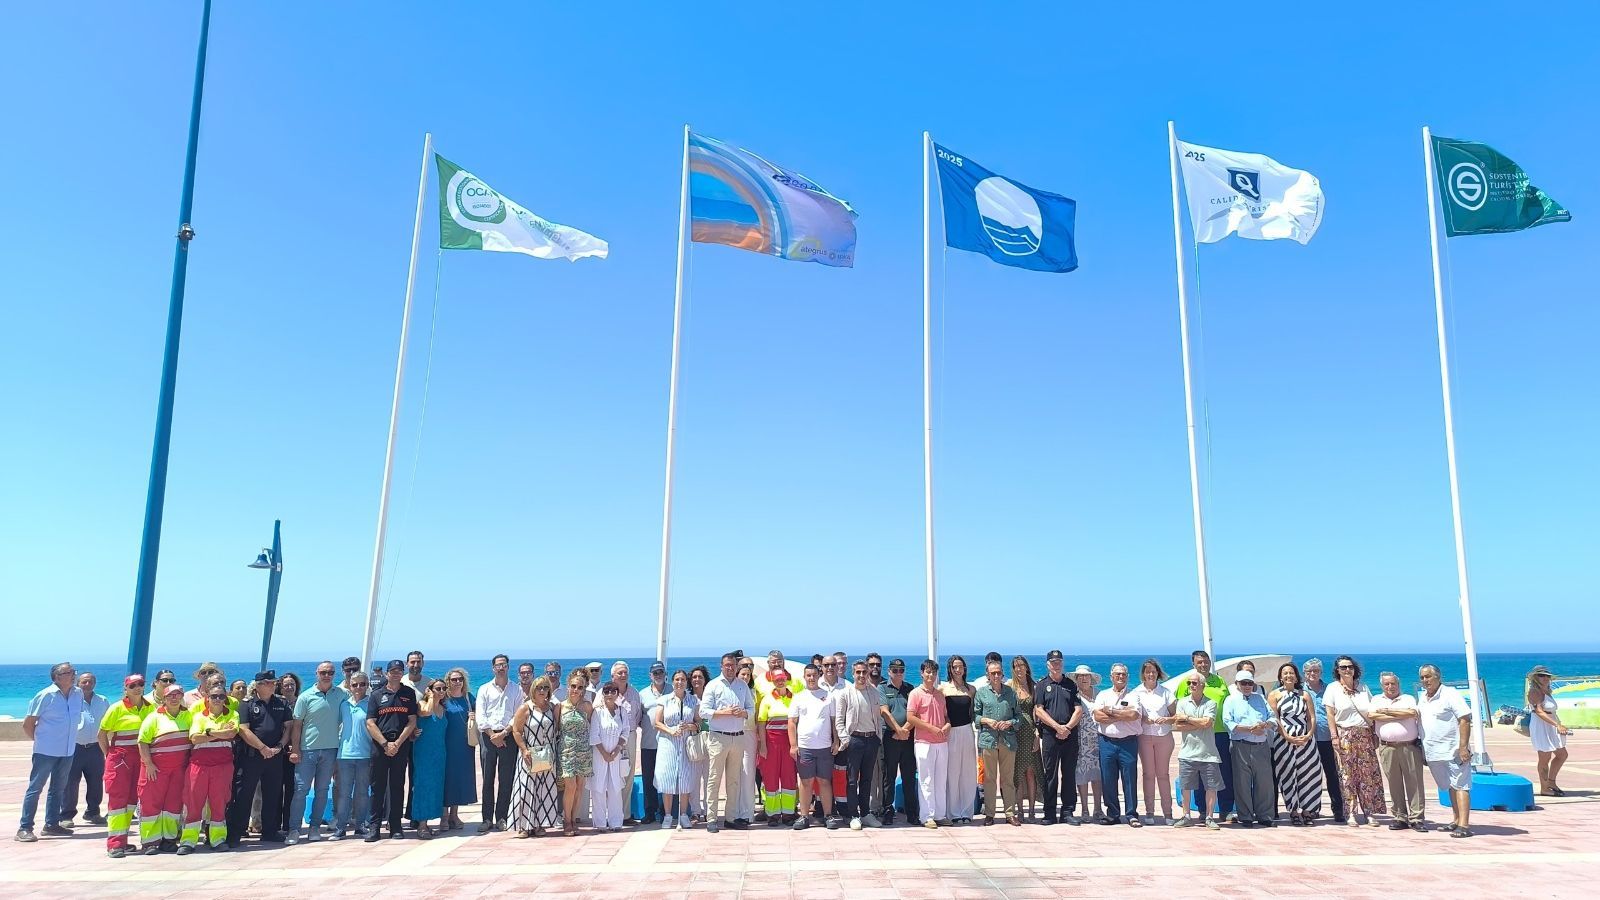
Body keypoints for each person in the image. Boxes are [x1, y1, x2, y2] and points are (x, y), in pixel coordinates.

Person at [16, 662, 82, 843]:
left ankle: (52, 824)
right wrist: (41, 741)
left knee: (58, 789)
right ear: (57, 677)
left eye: (73, 671)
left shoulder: (78, 694)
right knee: (35, 788)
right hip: (46, 751)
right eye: (68, 672)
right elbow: (28, 723)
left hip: (68, 750)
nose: (73, 674)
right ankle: (25, 827)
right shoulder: (45, 695)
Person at [229, 670, 292, 847]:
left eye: (273, 682)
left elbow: (288, 727)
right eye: (268, 683)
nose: (272, 685)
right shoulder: (246, 704)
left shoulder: (281, 703)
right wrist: (262, 748)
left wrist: (279, 746)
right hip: (252, 756)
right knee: (244, 795)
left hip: (275, 756)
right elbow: (243, 729)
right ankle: (236, 833)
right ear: (258, 685)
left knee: (273, 794)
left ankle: (270, 831)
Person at [288, 661, 346, 844]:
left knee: (322, 790)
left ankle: (314, 828)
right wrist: (295, 750)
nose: (327, 675)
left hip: (330, 750)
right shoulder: (305, 697)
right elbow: (297, 726)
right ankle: (294, 830)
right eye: (323, 672)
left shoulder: (341, 695)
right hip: (307, 751)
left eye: (330, 672)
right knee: (300, 790)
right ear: (317, 673)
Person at [1324, 655, 1386, 827]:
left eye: (1349, 666)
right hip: (1344, 735)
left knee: (1367, 775)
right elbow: (1330, 714)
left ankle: (1369, 812)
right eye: (1343, 667)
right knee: (1347, 776)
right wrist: (1334, 736)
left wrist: (1375, 733)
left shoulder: (1363, 688)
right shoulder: (1332, 689)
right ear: (1337, 670)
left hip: (1365, 734)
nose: (1347, 670)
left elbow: (1372, 711)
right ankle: (1351, 812)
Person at [98, 675, 154, 857]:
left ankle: (125, 840)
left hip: (141, 757)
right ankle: (115, 844)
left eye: (140, 684)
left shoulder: (150, 708)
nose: (137, 688)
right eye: (132, 685)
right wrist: (109, 755)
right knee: (118, 801)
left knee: (133, 801)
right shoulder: (116, 708)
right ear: (126, 688)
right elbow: (102, 734)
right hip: (120, 757)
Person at [364, 659, 419, 842]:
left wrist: (397, 743)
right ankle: (374, 827)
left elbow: (412, 721)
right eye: (392, 671)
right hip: (380, 748)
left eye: (399, 671)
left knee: (397, 787)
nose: (395, 674)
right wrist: (386, 744)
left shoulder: (408, 693)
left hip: (401, 746)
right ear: (387, 673)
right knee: (377, 787)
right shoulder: (377, 695)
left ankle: (396, 826)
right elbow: (370, 722)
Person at [180, 683, 238, 854]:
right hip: (199, 765)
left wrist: (208, 733)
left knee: (219, 803)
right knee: (193, 803)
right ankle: (188, 841)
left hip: (223, 765)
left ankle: (217, 839)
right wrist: (217, 730)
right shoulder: (198, 716)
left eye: (221, 696)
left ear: (226, 698)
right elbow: (195, 739)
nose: (218, 699)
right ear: (207, 698)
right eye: (214, 696)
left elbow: (231, 734)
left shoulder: (232, 714)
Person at [700, 651, 753, 833]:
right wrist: (725, 712)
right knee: (714, 779)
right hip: (718, 737)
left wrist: (743, 713)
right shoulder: (713, 686)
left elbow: (751, 709)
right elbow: (703, 711)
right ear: (721, 666)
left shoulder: (742, 686)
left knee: (734, 780)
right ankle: (712, 818)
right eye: (727, 665)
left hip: (738, 737)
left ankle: (730, 818)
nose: (730, 668)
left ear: (737, 667)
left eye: (733, 665)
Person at [1417, 664, 1473, 837]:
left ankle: (1464, 825)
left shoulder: (1450, 694)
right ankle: (1456, 820)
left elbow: (1464, 719)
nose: (1425, 680)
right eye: (1422, 677)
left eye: (1428, 676)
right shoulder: (1423, 698)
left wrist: (1463, 747)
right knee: (1449, 785)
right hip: (1434, 751)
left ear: (1438, 677)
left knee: (1461, 785)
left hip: (1453, 750)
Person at [136, 684, 191, 854]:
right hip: (156, 769)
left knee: (173, 805)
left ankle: (169, 839)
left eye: (177, 695)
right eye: (170, 695)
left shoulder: (188, 716)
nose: (174, 698)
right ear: (164, 699)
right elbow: (143, 742)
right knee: (151, 804)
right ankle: (150, 842)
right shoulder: (154, 717)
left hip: (179, 769)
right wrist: (149, 764)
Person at [1267, 662, 1323, 826]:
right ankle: (1293, 811)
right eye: (1285, 673)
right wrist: (1287, 737)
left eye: (1291, 673)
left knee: (1309, 774)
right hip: (1283, 739)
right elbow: (1275, 719)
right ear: (1280, 677)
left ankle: (1307, 810)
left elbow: (1311, 717)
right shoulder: (1274, 695)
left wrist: (1309, 735)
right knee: (1287, 775)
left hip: (1305, 739)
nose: (1288, 676)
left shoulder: (1304, 694)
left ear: (1296, 676)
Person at [1181, 651, 1233, 822]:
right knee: (1197, 775)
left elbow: (1227, 703)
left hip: (1219, 733)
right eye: (1199, 662)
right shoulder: (1186, 682)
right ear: (1193, 663)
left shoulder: (1220, 681)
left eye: (1206, 661)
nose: (1203, 664)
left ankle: (1226, 809)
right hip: (1197, 736)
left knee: (1223, 773)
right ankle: (1203, 811)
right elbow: (1180, 711)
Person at [1370, 671, 1425, 830]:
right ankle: (1400, 817)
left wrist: (1385, 711)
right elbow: (1372, 715)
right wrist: (1399, 714)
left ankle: (1417, 818)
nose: (1390, 687)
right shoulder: (1376, 699)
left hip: (1409, 746)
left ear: (1398, 684)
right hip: (1387, 747)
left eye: (1393, 683)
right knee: (1394, 784)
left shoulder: (1408, 698)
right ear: (1382, 686)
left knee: (1414, 783)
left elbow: (1412, 713)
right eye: (1386, 684)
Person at [1032, 651, 1081, 826]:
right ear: (1047, 664)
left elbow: (1078, 710)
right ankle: (1049, 812)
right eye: (1053, 662)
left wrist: (1067, 727)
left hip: (1069, 735)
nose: (1056, 664)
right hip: (1051, 735)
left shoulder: (1071, 684)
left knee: (1069, 775)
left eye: (1059, 661)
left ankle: (1067, 812)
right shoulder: (1041, 685)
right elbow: (1039, 710)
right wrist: (1057, 727)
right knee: (1050, 775)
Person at [788, 662, 839, 830]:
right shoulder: (798, 697)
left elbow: (833, 721)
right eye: (808, 675)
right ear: (804, 677)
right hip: (805, 747)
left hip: (824, 747)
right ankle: (804, 816)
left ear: (819, 676)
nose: (811, 678)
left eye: (814, 675)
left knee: (824, 781)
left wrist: (836, 741)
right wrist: (794, 745)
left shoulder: (828, 696)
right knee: (805, 781)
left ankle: (828, 815)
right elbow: (792, 722)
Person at [510, 676, 561, 837]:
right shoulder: (525, 708)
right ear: (533, 689)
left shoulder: (552, 707)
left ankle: (539, 824)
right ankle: (523, 826)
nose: (542, 690)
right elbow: (516, 731)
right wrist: (524, 749)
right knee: (525, 790)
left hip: (547, 754)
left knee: (544, 790)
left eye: (545, 687)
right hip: (530, 754)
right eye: (539, 687)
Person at [1222, 671, 1275, 828]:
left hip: (1261, 746)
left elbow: (1272, 718)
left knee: (1264, 782)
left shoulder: (1260, 698)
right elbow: (1227, 722)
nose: (1246, 686)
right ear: (1237, 683)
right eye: (1243, 683)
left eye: (1249, 683)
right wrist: (1249, 729)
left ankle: (1264, 815)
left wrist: (1264, 725)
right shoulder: (1230, 700)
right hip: (1240, 745)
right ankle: (1245, 816)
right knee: (1242, 783)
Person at [836, 659, 884, 830]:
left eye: (864, 672)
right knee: (851, 780)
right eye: (858, 672)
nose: (862, 675)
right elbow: (839, 720)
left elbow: (878, 718)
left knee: (867, 779)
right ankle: (853, 815)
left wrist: (878, 737)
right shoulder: (845, 693)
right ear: (853, 673)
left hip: (871, 740)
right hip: (854, 740)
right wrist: (845, 739)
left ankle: (865, 813)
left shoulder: (874, 693)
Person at [1171, 672, 1223, 829]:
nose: (1191, 686)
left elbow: (1208, 723)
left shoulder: (1211, 703)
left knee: (1211, 787)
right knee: (1186, 786)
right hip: (1187, 752)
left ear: (1202, 685)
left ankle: (1209, 817)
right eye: (1189, 683)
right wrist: (1197, 723)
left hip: (1209, 754)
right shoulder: (1181, 702)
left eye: (1194, 683)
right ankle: (1186, 816)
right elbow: (1177, 726)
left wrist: (1187, 719)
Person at [1093, 662, 1142, 826]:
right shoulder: (1103, 695)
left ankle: (1131, 814)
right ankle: (1113, 814)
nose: (1120, 677)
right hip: (1106, 742)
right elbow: (1098, 717)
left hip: (1128, 742)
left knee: (1129, 779)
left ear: (1127, 677)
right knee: (1108, 779)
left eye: (1123, 674)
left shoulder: (1134, 695)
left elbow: (1134, 715)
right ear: (1111, 677)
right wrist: (1122, 715)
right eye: (1117, 674)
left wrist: (1111, 711)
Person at [974, 659, 1021, 826]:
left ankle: (1010, 813)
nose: (996, 675)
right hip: (989, 740)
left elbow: (1019, 717)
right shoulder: (981, 693)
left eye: (998, 673)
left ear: (1002, 674)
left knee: (1008, 779)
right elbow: (975, 717)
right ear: (987, 675)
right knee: (989, 779)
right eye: (992, 673)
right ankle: (990, 813)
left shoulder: (1010, 693)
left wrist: (1010, 723)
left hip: (1008, 740)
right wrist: (986, 720)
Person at [1131, 658, 1176, 826]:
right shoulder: (1136, 693)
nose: (1151, 674)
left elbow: (1174, 716)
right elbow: (1132, 714)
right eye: (1147, 671)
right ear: (1143, 674)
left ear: (1158, 673)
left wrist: (1165, 719)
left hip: (1163, 737)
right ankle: (1149, 811)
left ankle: (1168, 813)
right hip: (1144, 737)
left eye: (1153, 671)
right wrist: (1144, 718)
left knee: (1163, 775)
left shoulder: (1166, 692)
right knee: (1148, 774)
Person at [905, 659, 950, 828]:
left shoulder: (940, 694)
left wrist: (947, 725)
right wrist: (930, 728)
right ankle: (927, 816)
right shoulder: (915, 694)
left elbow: (946, 716)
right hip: (923, 742)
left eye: (933, 672)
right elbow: (911, 717)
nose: (931, 675)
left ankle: (940, 814)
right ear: (922, 673)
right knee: (926, 779)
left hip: (941, 742)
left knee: (940, 779)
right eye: (928, 672)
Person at [653, 670, 699, 831]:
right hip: (668, 744)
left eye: (683, 680)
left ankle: (684, 815)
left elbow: (699, 723)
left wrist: (690, 726)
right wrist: (671, 730)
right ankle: (667, 815)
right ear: (672, 682)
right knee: (667, 778)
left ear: (687, 682)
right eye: (677, 679)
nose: (680, 682)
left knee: (685, 778)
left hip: (685, 744)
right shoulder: (664, 700)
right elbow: (657, 722)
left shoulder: (693, 700)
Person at [1301, 658, 1346, 823]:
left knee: (1333, 775)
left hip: (1328, 738)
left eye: (1316, 671)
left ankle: (1338, 809)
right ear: (1304, 673)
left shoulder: (1330, 689)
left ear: (1321, 672)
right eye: (1310, 671)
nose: (1313, 674)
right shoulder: (1300, 691)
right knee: (1311, 775)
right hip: (1308, 739)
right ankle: (1312, 809)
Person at [63, 671, 109, 827]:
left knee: (96, 782)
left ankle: (93, 812)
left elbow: (109, 724)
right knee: (70, 782)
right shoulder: (70, 700)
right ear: (77, 683)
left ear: (94, 683)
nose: (87, 684)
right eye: (84, 682)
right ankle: (66, 815)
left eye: (90, 682)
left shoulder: (102, 700)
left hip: (95, 748)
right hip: (75, 747)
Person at [877, 658, 918, 826]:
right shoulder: (882, 687)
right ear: (889, 671)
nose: (898, 673)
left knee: (909, 776)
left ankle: (912, 813)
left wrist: (905, 731)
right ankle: (888, 811)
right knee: (889, 777)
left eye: (901, 670)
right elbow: (884, 711)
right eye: (895, 670)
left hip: (908, 738)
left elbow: (916, 712)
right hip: (890, 737)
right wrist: (897, 730)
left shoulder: (910, 689)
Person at [755, 667, 798, 824]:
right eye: (777, 679)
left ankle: (788, 813)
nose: (780, 681)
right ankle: (772, 814)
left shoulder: (794, 697)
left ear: (787, 679)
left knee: (789, 777)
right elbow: (761, 723)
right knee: (770, 778)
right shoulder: (767, 699)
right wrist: (763, 746)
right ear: (772, 681)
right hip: (771, 743)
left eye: (783, 678)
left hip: (789, 743)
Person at [333, 671, 372, 840]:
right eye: (355, 684)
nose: (358, 688)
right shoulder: (343, 705)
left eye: (362, 684)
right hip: (345, 755)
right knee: (344, 793)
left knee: (363, 792)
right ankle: (340, 827)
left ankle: (360, 825)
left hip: (365, 754)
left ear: (367, 685)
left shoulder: (371, 704)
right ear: (349, 685)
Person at [941, 656, 978, 825]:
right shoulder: (943, 688)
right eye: (954, 667)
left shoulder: (971, 689)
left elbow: (972, 713)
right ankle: (953, 811)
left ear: (964, 668)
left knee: (968, 772)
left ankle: (967, 811)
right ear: (950, 669)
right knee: (952, 772)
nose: (958, 670)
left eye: (960, 667)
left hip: (967, 731)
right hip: (951, 733)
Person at [439, 667, 477, 831]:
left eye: (460, 679)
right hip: (447, 744)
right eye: (454, 679)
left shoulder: (468, 697)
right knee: (446, 780)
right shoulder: (444, 699)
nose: (457, 682)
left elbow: (480, 714)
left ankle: (455, 814)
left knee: (460, 780)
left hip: (464, 745)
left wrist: (474, 716)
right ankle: (444, 816)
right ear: (448, 681)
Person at [588, 682, 628, 833]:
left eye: (613, 691)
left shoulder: (622, 712)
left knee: (615, 788)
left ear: (617, 693)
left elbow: (625, 732)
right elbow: (594, 734)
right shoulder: (597, 712)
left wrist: (617, 749)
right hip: (600, 755)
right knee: (598, 788)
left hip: (616, 755)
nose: (609, 694)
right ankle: (600, 823)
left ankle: (616, 822)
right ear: (603, 694)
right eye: (606, 691)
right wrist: (604, 753)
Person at [410, 678, 447, 838]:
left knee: (435, 787)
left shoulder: (443, 708)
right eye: (437, 688)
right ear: (429, 690)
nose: (441, 691)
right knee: (422, 786)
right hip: (424, 752)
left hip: (439, 752)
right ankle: (421, 824)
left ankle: (430, 820)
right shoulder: (422, 705)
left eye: (443, 689)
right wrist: (431, 697)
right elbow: (426, 713)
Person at [1008, 656, 1043, 823]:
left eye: (1021, 665)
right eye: (1016, 666)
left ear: (1027, 667)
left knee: (1031, 772)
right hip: (1015, 733)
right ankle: (1019, 809)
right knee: (1018, 773)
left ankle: (1031, 810)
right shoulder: (1010, 687)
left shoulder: (1034, 686)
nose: (1019, 669)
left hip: (1030, 732)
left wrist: (1038, 734)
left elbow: (1038, 712)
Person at [1526, 665, 1571, 796]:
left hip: (1551, 724)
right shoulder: (1534, 691)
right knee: (1544, 757)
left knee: (1562, 754)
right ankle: (1544, 788)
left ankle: (1551, 782)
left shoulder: (1546, 691)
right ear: (1535, 677)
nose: (1545, 678)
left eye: (1547, 676)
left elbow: (1549, 711)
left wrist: (1558, 724)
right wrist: (1557, 725)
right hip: (1542, 726)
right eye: (1541, 675)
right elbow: (1539, 712)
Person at [558, 672, 593, 836]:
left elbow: (592, 727)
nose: (576, 690)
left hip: (583, 751)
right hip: (566, 751)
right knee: (570, 786)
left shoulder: (587, 706)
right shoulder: (560, 706)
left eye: (580, 687)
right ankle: (566, 820)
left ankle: (574, 819)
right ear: (568, 686)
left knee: (580, 787)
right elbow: (555, 730)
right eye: (573, 686)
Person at [639, 661, 670, 825]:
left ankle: (666, 811)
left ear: (665, 673)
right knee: (648, 779)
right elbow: (638, 718)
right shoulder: (642, 694)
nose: (658, 675)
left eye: (660, 672)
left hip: (668, 744)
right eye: (655, 673)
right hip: (648, 743)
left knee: (667, 778)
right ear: (650, 675)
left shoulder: (673, 690)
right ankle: (650, 812)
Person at [1072, 665, 1103, 823]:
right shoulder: (1073, 694)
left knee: (1098, 775)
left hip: (1098, 739)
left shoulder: (1100, 694)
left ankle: (1098, 808)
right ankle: (1084, 808)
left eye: (1086, 676)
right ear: (1076, 679)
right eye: (1080, 676)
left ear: (1091, 678)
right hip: (1080, 740)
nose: (1083, 678)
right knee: (1081, 775)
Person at [275, 672, 302, 836]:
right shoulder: (276, 703)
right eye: (286, 685)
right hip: (280, 751)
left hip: (296, 751)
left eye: (292, 684)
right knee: (277, 789)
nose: (289, 687)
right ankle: (275, 823)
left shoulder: (301, 702)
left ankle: (289, 824)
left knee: (293, 789)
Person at [687, 666, 711, 823]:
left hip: (711, 739)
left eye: (700, 677)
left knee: (710, 778)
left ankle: (709, 811)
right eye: (694, 677)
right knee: (694, 778)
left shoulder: (711, 696)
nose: (697, 680)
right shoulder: (687, 698)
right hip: (694, 740)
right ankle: (695, 811)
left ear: (705, 679)